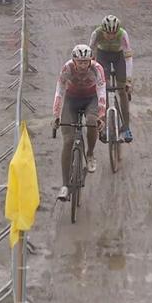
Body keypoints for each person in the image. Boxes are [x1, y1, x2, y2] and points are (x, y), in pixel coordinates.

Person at [52, 44, 106, 201]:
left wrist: (101, 116)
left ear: (91, 60)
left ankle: (89, 154)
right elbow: (59, 90)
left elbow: (102, 92)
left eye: (86, 62)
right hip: (72, 99)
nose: (83, 65)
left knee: (91, 121)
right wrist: (56, 115)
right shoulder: (66, 68)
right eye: (80, 62)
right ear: (74, 61)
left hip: (91, 99)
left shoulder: (97, 69)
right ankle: (64, 185)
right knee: (68, 141)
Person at [89, 15, 134, 143]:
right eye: (107, 33)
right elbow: (90, 54)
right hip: (103, 55)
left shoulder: (122, 34)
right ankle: (103, 125)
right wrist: (93, 74)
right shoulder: (96, 34)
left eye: (113, 33)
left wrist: (128, 81)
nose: (110, 36)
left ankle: (126, 127)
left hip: (119, 56)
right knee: (104, 89)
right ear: (102, 30)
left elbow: (128, 57)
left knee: (122, 91)